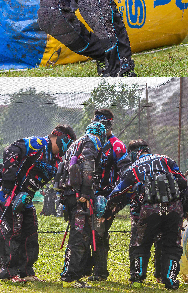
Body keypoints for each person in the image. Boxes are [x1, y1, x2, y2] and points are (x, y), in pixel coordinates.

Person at [104, 140, 188, 290]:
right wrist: (183, 209)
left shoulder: (133, 168)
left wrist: (107, 209)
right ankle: (170, 280)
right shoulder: (166, 160)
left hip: (149, 210)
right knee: (172, 245)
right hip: (174, 208)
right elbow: (183, 182)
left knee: (140, 244)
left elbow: (117, 193)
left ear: (134, 153)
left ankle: (137, 277)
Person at [0, 125, 77, 282]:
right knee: (11, 233)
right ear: (57, 137)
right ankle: (9, 272)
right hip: (7, 194)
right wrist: (9, 185)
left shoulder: (57, 161)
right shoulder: (37, 143)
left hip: (26, 199)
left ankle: (26, 271)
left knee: (30, 234)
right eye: (67, 143)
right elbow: (10, 151)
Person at [55, 122, 107, 288]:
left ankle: (74, 272)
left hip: (70, 195)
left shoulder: (74, 145)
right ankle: (71, 276)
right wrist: (85, 192)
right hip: (79, 197)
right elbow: (87, 165)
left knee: (79, 234)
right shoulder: (91, 141)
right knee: (80, 237)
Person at [89, 109, 131, 282]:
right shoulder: (93, 143)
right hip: (90, 195)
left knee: (99, 232)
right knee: (88, 233)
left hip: (107, 198)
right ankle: (90, 268)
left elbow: (126, 175)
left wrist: (114, 202)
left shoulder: (117, 146)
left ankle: (100, 271)